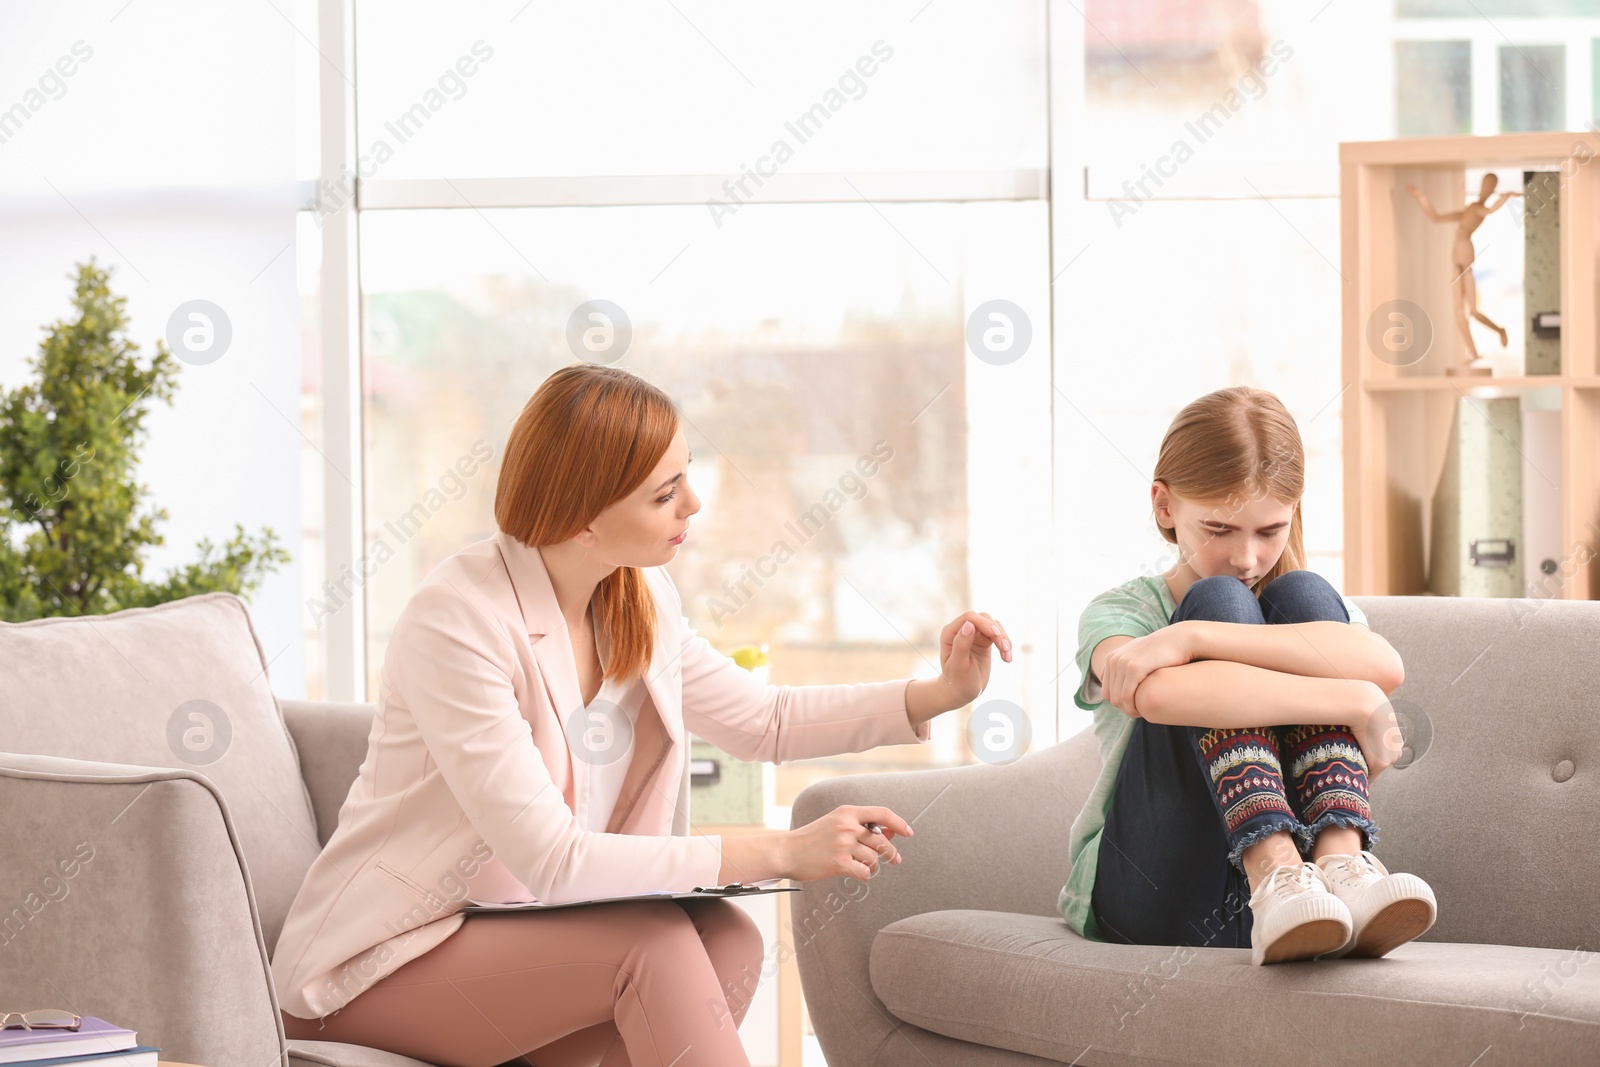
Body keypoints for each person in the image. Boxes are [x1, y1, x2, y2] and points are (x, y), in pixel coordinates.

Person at [270, 363, 1013, 1066]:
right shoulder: (457, 620)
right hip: (378, 963)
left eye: (686, 475)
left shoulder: (636, 596)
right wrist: (783, 850)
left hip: (511, 929)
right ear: (583, 520)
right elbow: (555, 859)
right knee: (653, 947)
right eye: (665, 494)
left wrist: (939, 691)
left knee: (726, 939)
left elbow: (765, 720)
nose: (694, 504)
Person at [1056, 386, 1437, 966]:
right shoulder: (1121, 615)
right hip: (1156, 889)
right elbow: (1157, 695)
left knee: (1302, 589)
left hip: (1312, 908)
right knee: (1220, 599)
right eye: (1219, 529)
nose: (1247, 558)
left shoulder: (1314, 612)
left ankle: (1342, 866)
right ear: (1164, 507)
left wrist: (1192, 640)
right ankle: (1273, 868)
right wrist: (1353, 700)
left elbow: (1386, 667)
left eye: (1270, 530)